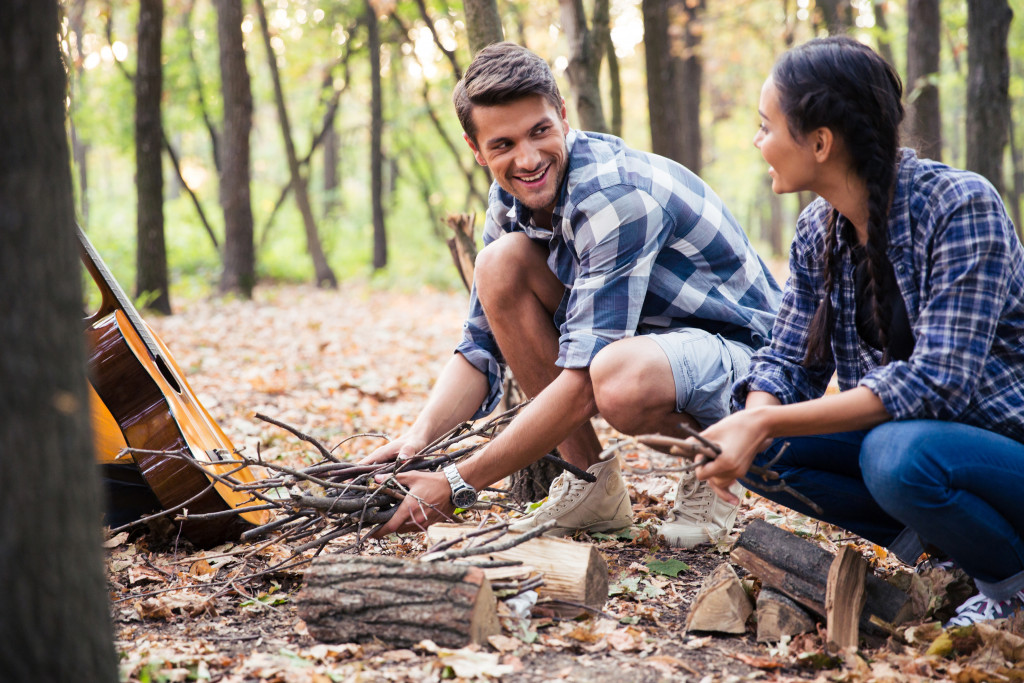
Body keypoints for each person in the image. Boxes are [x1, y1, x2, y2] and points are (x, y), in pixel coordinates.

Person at [365, 42, 781, 547]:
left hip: (751, 368)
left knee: (620, 379)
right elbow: (479, 348)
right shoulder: (511, 194)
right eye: (503, 145)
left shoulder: (612, 198)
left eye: (540, 131)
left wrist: (457, 483)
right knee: (499, 266)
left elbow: (586, 380)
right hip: (656, 347)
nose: (528, 158)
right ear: (478, 151)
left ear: (562, 116)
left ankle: (713, 468)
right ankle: (593, 489)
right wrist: (417, 439)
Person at [695, 35, 1024, 626]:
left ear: (820, 142)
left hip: (1003, 450)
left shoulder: (960, 206)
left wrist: (764, 418)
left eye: (765, 125)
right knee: (755, 438)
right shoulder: (818, 229)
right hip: (924, 454)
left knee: (895, 455)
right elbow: (789, 361)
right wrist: (753, 418)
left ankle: (1010, 584)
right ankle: (946, 548)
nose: (757, 140)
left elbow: (937, 384)